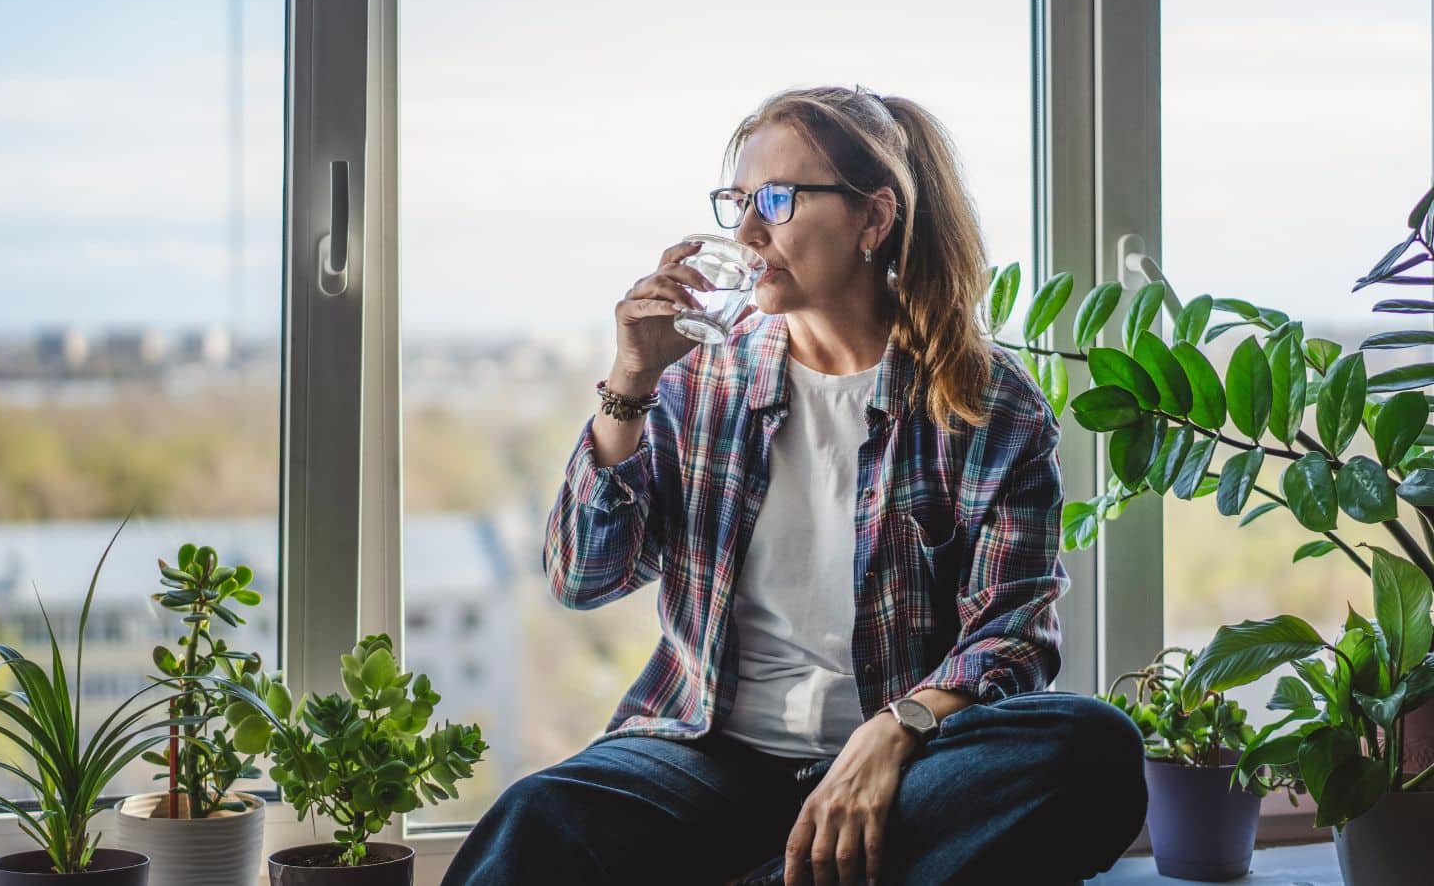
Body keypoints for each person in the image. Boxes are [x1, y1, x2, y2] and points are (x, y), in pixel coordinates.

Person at [441, 85, 1146, 886]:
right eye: (737, 201)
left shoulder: (985, 403)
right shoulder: (697, 375)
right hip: (707, 755)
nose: (745, 231)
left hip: (903, 768)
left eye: (775, 199)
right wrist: (630, 382)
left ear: (873, 220)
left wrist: (897, 729)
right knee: (542, 817)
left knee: (1092, 750)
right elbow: (582, 576)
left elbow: (1013, 632)